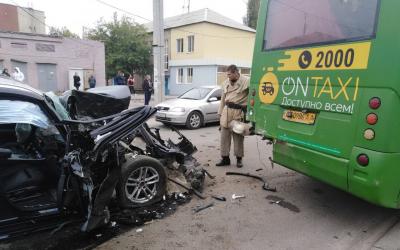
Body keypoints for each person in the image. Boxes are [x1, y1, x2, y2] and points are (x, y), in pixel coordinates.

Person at [216, 65, 249, 168]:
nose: (228, 77)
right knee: (224, 137)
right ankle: (225, 158)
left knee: (238, 137)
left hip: (238, 112)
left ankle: (239, 159)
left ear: (236, 73)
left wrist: (249, 115)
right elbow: (223, 99)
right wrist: (220, 114)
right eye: (227, 75)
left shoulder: (247, 81)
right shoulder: (226, 83)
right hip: (226, 112)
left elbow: (254, 96)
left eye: (230, 74)